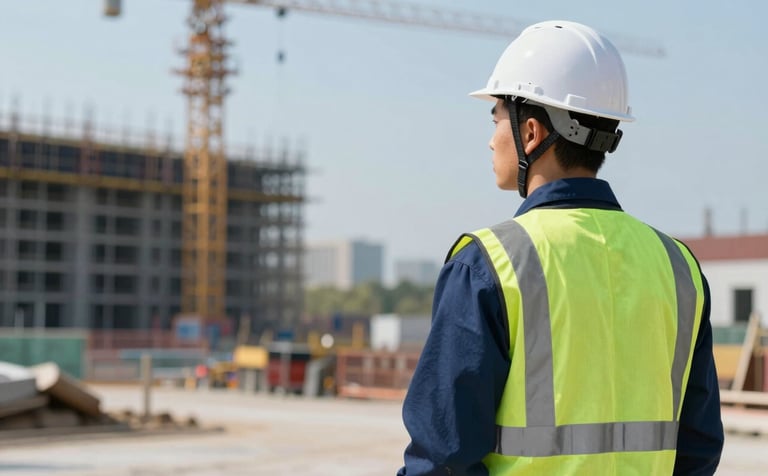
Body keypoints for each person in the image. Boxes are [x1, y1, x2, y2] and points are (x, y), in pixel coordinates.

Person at [397, 20, 723, 475]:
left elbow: (443, 459)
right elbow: (699, 449)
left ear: (531, 132)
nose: (491, 139)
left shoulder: (489, 264)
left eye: (495, 118)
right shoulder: (678, 268)